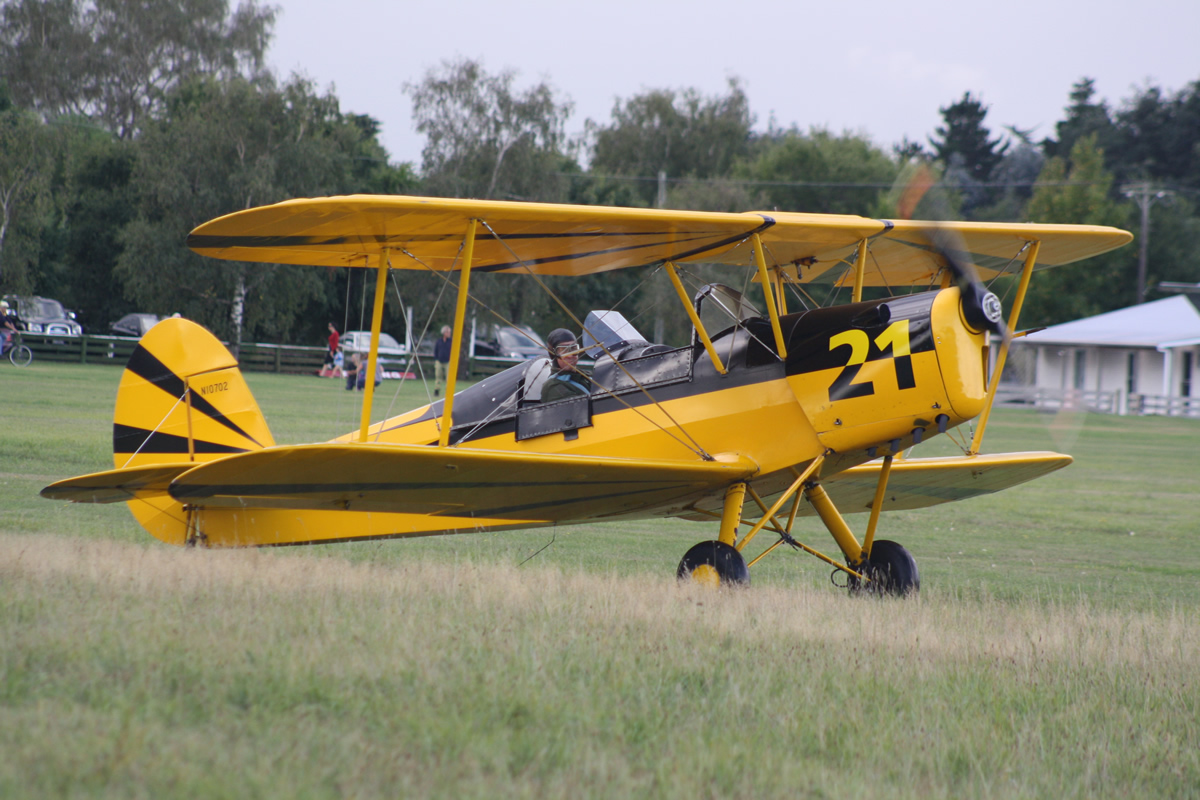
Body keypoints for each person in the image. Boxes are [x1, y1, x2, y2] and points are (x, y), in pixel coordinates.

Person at [540, 328, 591, 402]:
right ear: (553, 354)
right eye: (563, 350)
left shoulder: (587, 376)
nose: (570, 355)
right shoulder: (553, 386)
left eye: (573, 348)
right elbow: (578, 406)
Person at [433, 325, 453, 396]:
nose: (449, 333)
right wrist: (436, 359)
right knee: (438, 376)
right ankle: (437, 389)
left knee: (448, 377)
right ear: (444, 333)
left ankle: (448, 391)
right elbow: (436, 350)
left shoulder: (451, 341)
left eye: (449, 332)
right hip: (439, 361)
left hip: (448, 361)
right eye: (447, 332)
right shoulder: (439, 341)